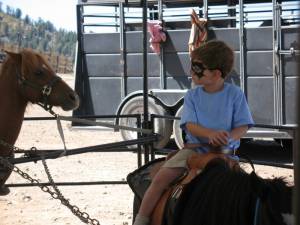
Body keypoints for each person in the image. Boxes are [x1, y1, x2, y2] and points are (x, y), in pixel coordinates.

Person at [133, 40, 254, 225]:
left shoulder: (235, 94)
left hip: (224, 154)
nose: (192, 72)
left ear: (216, 73)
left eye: (198, 68)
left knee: (249, 191)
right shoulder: (192, 96)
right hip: (193, 152)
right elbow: (189, 124)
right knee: (160, 180)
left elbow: (243, 125)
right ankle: (142, 219)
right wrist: (210, 134)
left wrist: (229, 138)